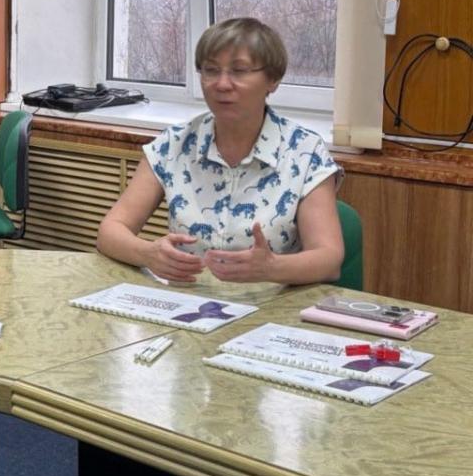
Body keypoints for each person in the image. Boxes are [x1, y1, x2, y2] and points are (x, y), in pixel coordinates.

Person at [97, 17, 344, 285]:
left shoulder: (305, 151)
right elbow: (110, 232)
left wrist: (272, 268)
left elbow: (329, 260)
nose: (222, 84)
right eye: (211, 70)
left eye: (239, 71)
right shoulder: (174, 144)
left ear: (273, 79)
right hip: (187, 302)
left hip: (270, 304)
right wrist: (149, 253)